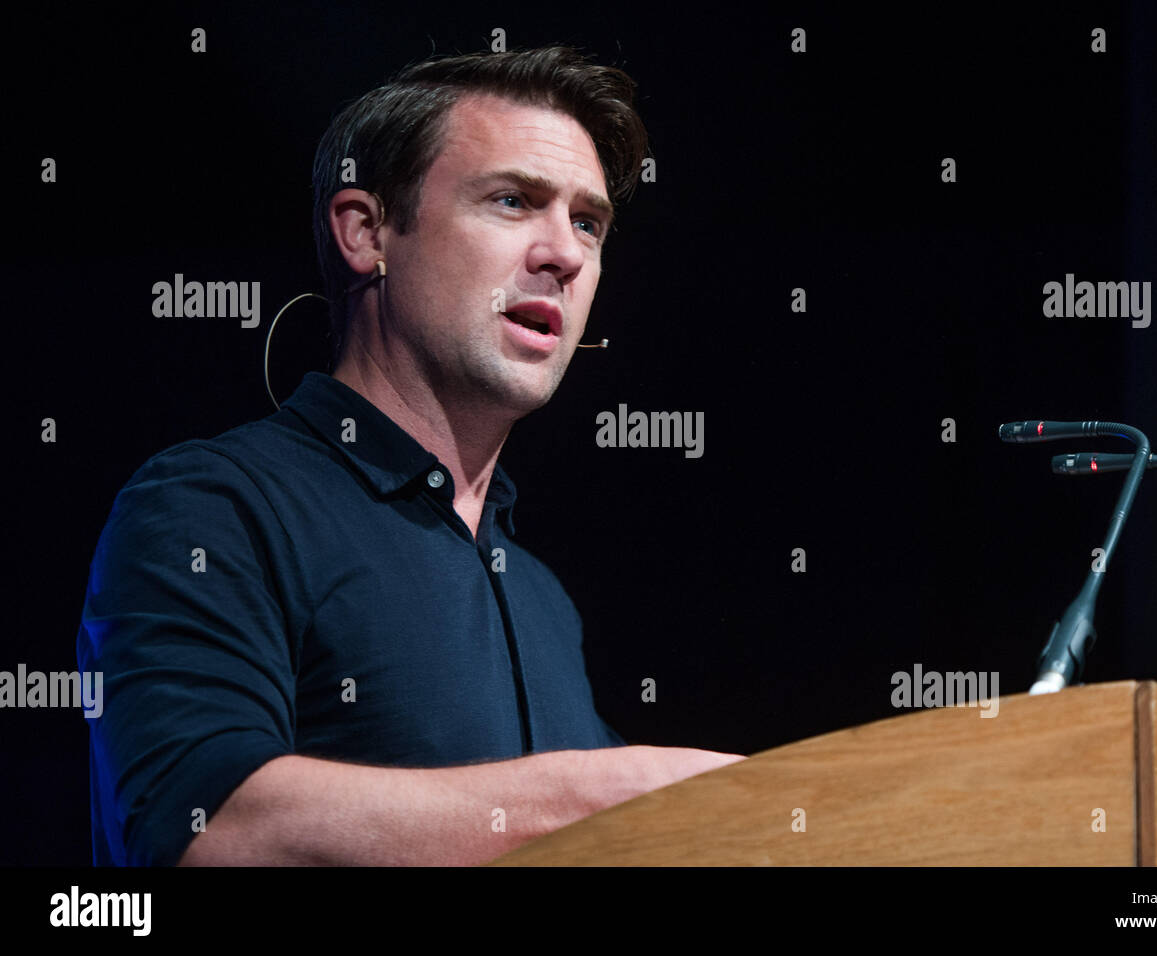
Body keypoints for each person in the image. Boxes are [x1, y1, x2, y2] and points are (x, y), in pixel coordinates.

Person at [77, 46, 744, 867]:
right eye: (512, 200)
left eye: (588, 223)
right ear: (367, 233)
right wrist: (617, 794)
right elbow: (206, 829)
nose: (565, 254)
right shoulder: (213, 506)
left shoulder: (540, 597)